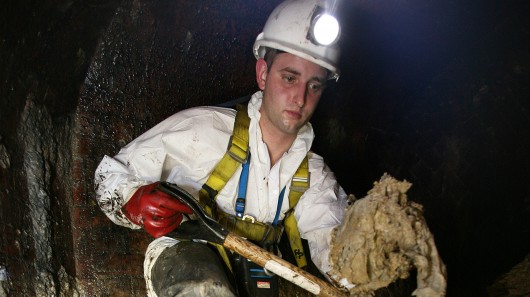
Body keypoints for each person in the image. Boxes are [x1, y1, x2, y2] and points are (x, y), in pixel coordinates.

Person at [94, 0, 348, 296]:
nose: (300, 97)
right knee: (205, 289)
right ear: (263, 73)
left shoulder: (314, 176)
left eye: (314, 85)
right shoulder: (204, 130)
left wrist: (370, 261)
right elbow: (111, 175)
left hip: (256, 274)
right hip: (189, 262)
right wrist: (134, 199)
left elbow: (336, 250)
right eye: (289, 78)